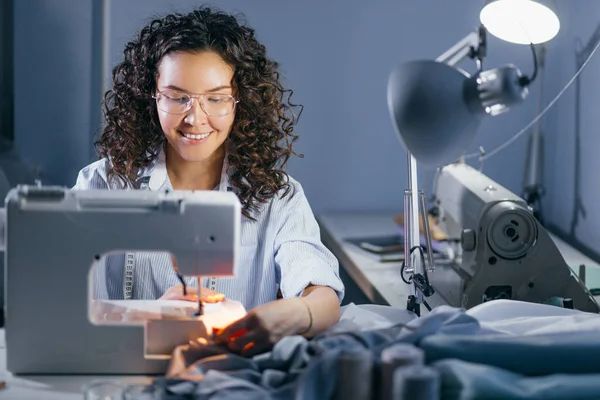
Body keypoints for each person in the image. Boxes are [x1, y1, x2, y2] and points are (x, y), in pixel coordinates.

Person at [73, 6, 344, 356]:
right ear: (151, 96)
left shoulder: (277, 198)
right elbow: (58, 296)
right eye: (176, 97)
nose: (194, 118)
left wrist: (293, 313)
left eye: (215, 98)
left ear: (239, 101)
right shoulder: (102, 184)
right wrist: (151, 314)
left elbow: (322, 295)